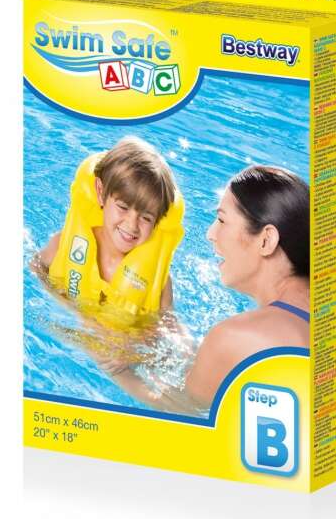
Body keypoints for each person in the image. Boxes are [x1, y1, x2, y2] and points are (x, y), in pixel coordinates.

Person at [101, 165, 309, 414]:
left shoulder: (234, 335)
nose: (210, 234)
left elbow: (184, 409)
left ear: (266, 240)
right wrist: (167, 319)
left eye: (222, 220)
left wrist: (116, 368)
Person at [31, 136, 184, 332]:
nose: (132, 225)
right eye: (123, 207)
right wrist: (73, 311)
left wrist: (134, 342)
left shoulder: (159, 281)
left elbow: (169, 329)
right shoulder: (63, 245)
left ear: (157, 220)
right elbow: (36, 267)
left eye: (146, 218)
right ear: (100, 192)